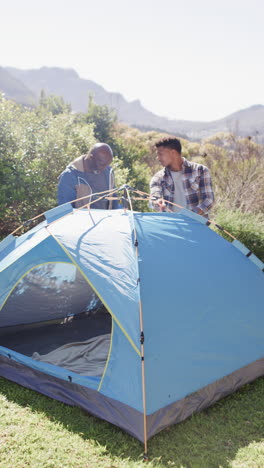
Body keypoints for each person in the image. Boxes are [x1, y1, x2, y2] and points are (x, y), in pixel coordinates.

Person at [150, 137, 214, 216]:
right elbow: (154, 197)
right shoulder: (158, 178)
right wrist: (157, 202)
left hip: (196, 225)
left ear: (173, 153)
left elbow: (209, 200)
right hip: (171, 225)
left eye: (160, 154)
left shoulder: (200, 170)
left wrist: (195, 213)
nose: (158, 158)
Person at [57, 143, 119, 209]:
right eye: (102, 164)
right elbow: (65, 209)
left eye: (107, 164)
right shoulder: (70, 175)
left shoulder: (107, 171)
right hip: (81, 218)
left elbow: (113, 199)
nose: (105, 168)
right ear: (91, 158)